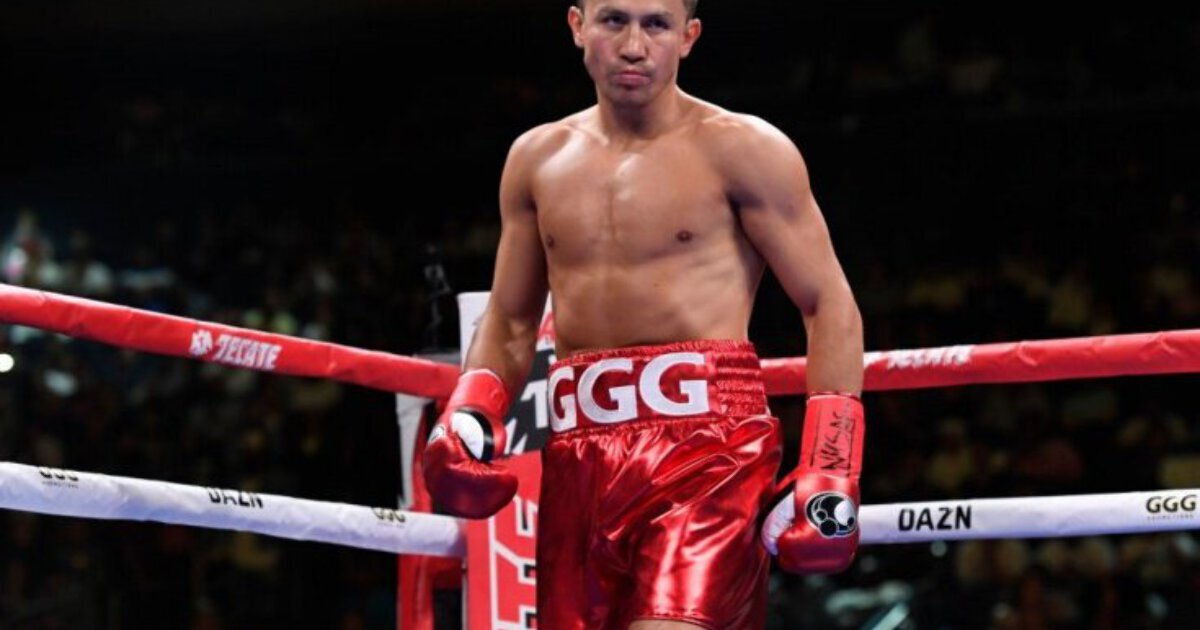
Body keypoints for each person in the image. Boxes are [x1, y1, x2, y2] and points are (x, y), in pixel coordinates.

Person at [423, 0, 864, 627]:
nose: (634, 45)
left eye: (656, 24)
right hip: (577, 459)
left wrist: (831, 464)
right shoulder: (535, 159)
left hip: (708, 454)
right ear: (577, 26)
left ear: (688, 36)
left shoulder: (745, 149)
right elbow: (513, 319)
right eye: (614, 21)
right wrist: (470, 412)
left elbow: (829, 302)